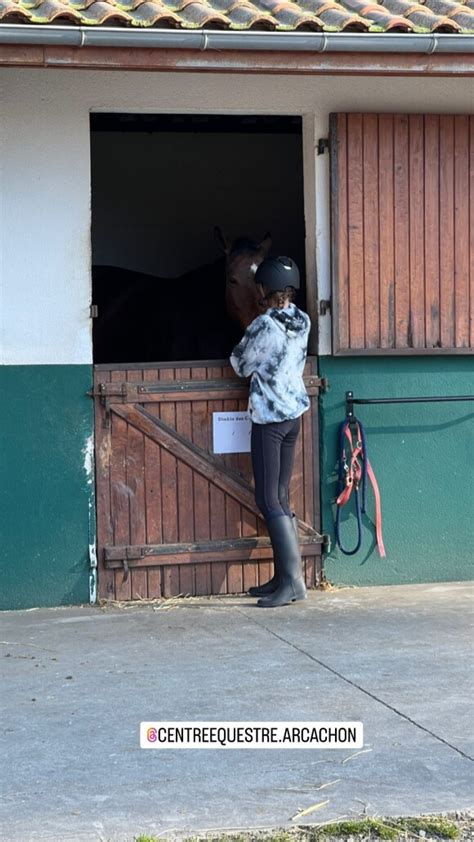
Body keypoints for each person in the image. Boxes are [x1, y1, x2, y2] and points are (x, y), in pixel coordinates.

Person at [229, 256, 311, 608]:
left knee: (268, 498)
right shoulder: (303, 319)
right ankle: (285, 577)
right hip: (293, 414)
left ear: (264, 289)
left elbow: (239, 364)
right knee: (280, 496)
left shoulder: (265, 326)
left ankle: (292, 582)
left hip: (270, 418)